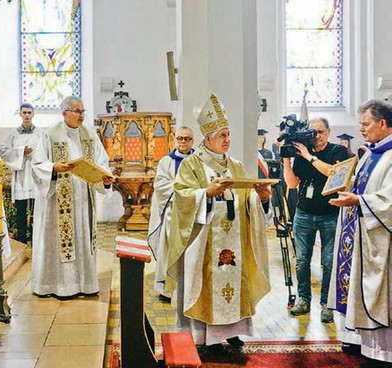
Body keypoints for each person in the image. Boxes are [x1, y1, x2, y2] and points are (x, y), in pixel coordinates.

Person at [167, 94, 272, 351]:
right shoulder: (191, 165)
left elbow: (248, 201)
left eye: (228, 134)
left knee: (235, 282)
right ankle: (204, 336)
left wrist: (262, 199)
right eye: (222, 135)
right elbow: (181, 198)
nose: (227, 139)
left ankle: (233, 330)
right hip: (203, 242)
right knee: (205, 285)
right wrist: (206, 194)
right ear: (208, 138)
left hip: (234, 239)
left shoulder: (236, 166)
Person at [30, 96, 115, 298]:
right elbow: (37, 165)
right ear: (64, 113)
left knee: (82, 240)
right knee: (58, 241)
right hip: (56, 203)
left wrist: (106, 178)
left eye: (83, 111)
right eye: (77, 111)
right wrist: (53, 168)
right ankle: (55, 285)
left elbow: (102, 161)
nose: (81, 116)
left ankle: (84, 284)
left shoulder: (90, 135)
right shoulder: (49, 135)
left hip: (83, 200)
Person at [328, 99, 392, 364]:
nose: (362, 129)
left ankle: (385, 352)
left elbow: (388, 200)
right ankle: (367, 346)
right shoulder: (370, 153)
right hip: (362, 237)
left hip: (382, 243)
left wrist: (358, 202)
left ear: (383, 123)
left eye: (365, 124)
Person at [282, 117, 349, 323]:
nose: (316, 136)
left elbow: (332, 173)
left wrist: (309, 156)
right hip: (304, 212)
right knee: (302, 261)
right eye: (313, 132)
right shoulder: (302, 153)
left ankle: (326, 304)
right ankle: (303, 299)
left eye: (320, 132)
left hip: (329, 212)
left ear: (328, 132)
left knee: (328, 261)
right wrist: (286, 157)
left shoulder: (337, 151)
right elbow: (292, 184)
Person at [147, 126, 195, 302]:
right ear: (175, 140)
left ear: (192, 141)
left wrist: (190, 193)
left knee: (192, 252)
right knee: (169, 251)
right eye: (180, 138)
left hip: (193, 215)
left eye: (187, 139)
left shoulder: (199, 160)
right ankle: (168, 289)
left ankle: (190, 289)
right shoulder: (166, 162)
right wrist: (184, 191)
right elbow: (160, 186)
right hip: (172, 214)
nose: (183, 142)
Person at [0, 103, 44, 244]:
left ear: (33, 114)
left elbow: (46, 151)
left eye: (29, 112)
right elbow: (3, 150)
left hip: (35, 173)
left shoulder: (40, 133)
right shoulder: (13, 134)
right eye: (24, 112)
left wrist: (36, 154)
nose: (27, 115)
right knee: (21, 209)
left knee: (37, 208)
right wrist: (20, 151)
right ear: (20, 114)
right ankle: (22, 239)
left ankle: (36, 239)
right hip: (21, 174)